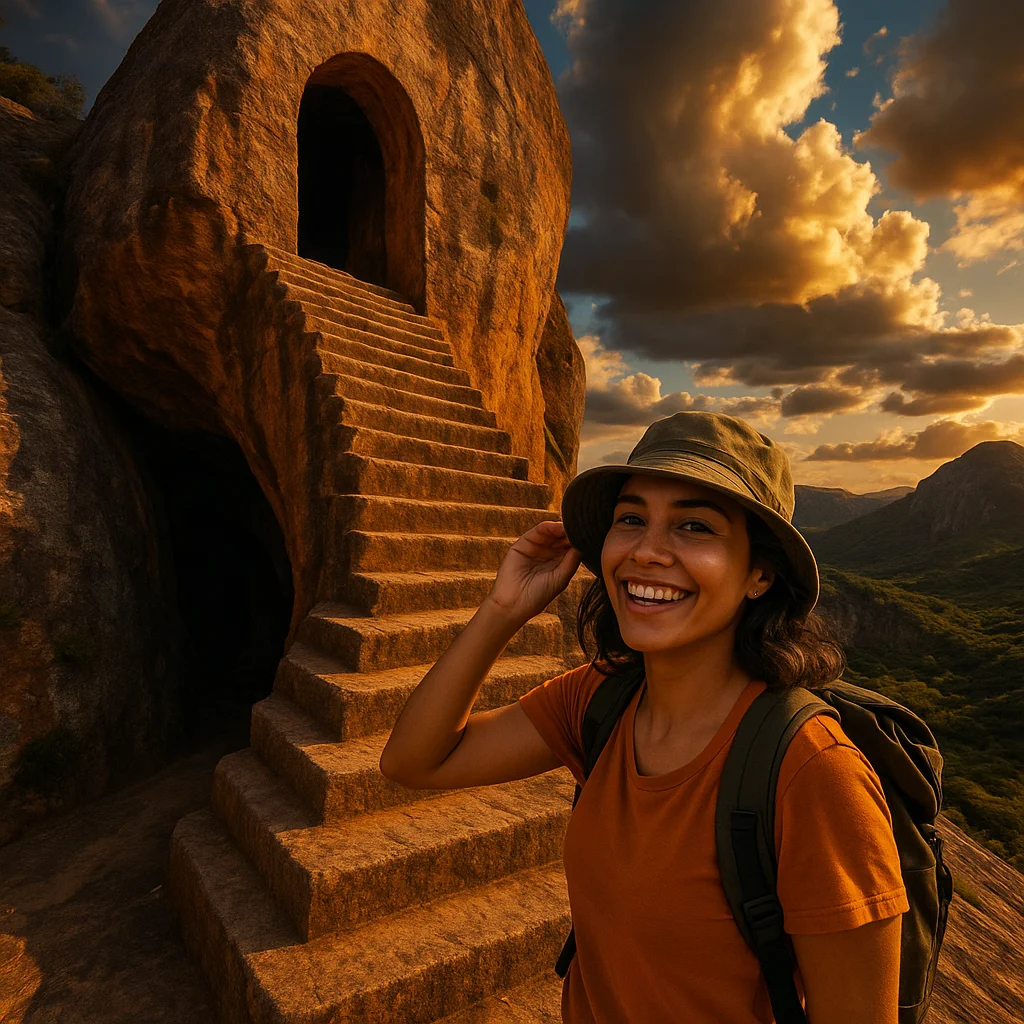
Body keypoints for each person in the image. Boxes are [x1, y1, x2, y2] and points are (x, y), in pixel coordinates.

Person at [380, 411, 909, 1024]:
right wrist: (503, 609)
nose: (647, 552)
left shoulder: (811, 773)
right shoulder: (603, 700)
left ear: (759, 575)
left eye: (694, 526)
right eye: (631, 519)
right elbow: (414, 761)